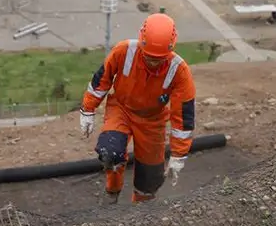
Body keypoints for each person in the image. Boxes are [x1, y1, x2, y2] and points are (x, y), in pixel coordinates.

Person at [79, 13, 196, 204]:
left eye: (158, 59)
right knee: (111, 152)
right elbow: (101, 80)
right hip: (121, 110)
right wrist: (88, 109)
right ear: (141, 43)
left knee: (151, 178)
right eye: (149, 57)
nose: (152, 62)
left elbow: (183, 116)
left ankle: (141, 212)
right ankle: (112, 194)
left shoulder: (179, 71)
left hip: (152, 120)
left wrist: (178, 155)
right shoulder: (124, 51)